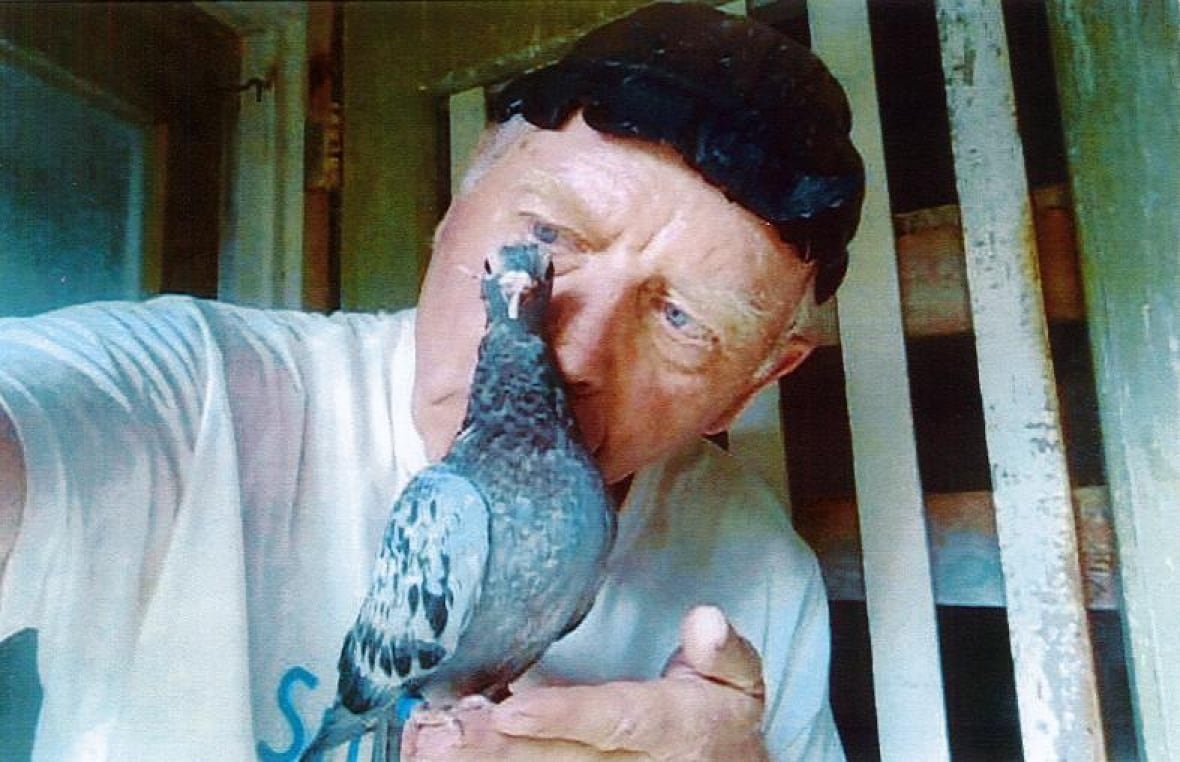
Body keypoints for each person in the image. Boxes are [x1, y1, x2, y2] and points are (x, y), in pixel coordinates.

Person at [0, 3, 863, 760]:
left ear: (752, 387)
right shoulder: (196, 394)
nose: (571, 357)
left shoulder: (759, 584)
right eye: (550, 236)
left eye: (683, 320)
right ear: (453, 215)